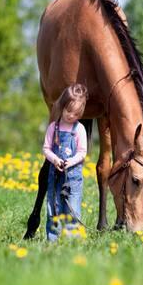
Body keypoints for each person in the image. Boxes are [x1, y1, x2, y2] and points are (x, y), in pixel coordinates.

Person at [42, 84, 88, 241]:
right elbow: (46, 148)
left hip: (72, 179)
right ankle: (52, 240)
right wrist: (54, 159)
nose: (71, 116)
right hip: (55, 177)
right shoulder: (53, 128)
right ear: (62, 106)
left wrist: (71, 161)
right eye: (69, 111)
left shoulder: (79, 129)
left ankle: (71, 241)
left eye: (76, 114)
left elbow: (82, 152)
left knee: (72, 210)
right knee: (53, 208)